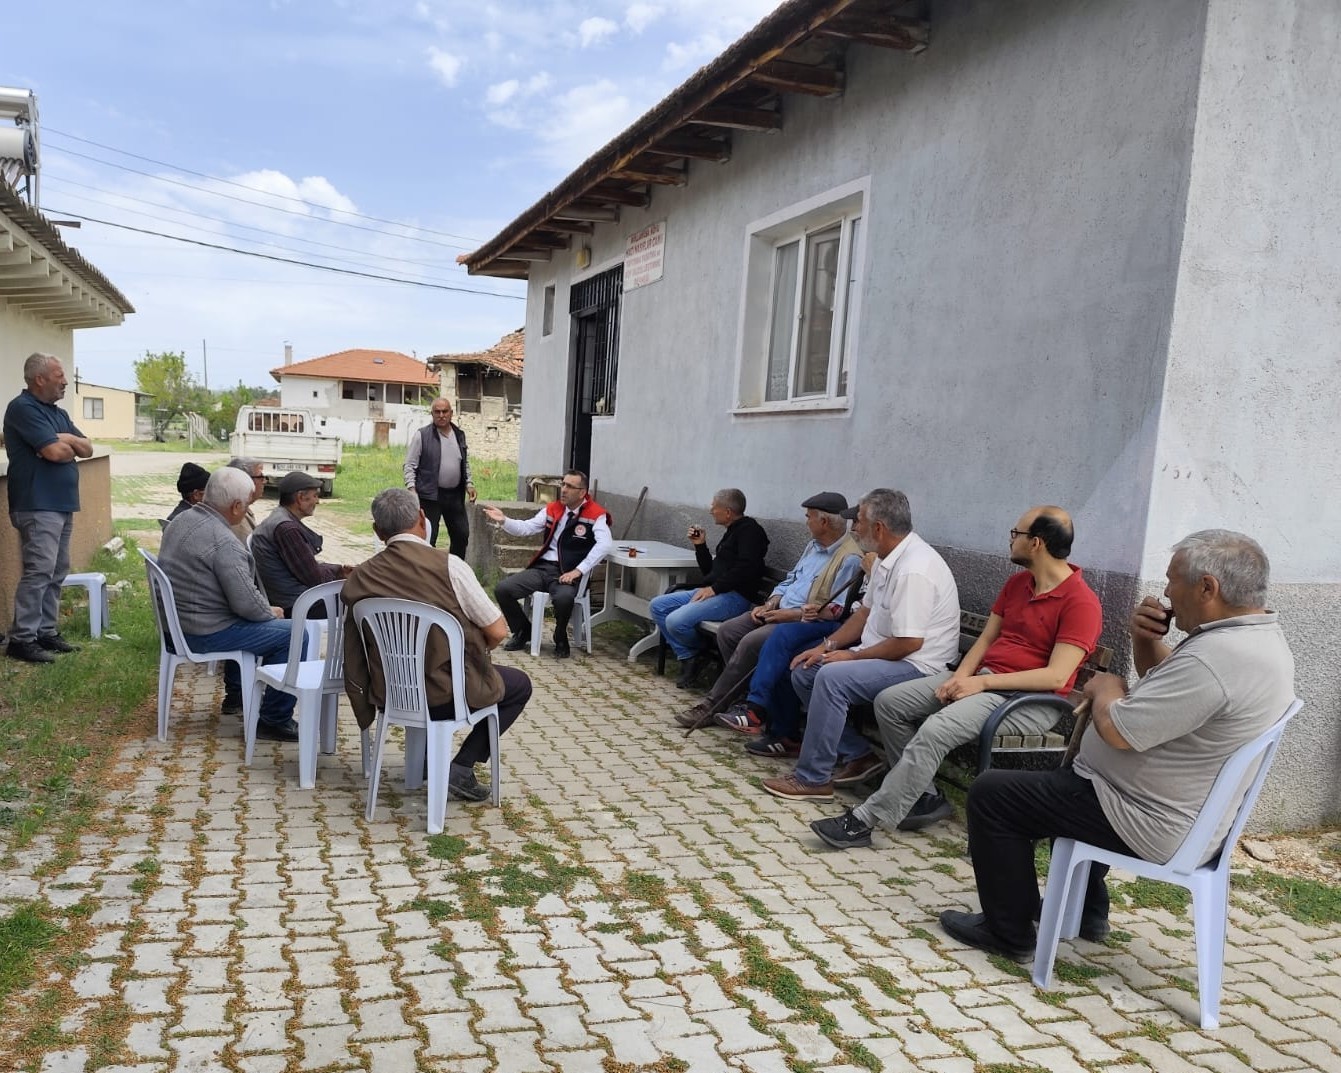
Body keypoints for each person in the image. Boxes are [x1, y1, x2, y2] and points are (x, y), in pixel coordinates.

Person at [938, 530, 1295, 963]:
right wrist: (1144, 641)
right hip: (1162, 805)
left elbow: (1120, 732)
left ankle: (1008, 931)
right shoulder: (1249, 638)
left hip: (1148, 818)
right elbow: (1173, 692)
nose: (1165, 591)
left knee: (994, 795)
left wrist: (1108, 687)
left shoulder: (1216, 657)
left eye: (1172, 580)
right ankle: (1087, 911)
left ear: (1207, 588)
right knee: (1066, 784)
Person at [811, 506, 1103, 848]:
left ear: (1036, 543)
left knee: (936, 729)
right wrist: (961, 677)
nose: (1010, 540)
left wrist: (980, 683)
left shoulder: (1080, 602)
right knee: (891, 702)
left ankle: (864, 821)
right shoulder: (1018, 583)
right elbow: (987, 639)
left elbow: (1055, 677)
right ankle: (925, 795)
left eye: (1016, 534)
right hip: (982, 681)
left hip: (1024, 700)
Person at [760, 489, 959, 801]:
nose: (853, 529)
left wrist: (851, 658)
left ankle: (813, 779)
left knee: (831, 677)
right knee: (806, 671)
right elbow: (865, 613)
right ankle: (858, 754)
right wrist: (826, 646)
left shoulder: (914, 569)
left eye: (858, 522)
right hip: (887, 656)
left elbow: (909, 642)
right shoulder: (885, 559)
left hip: (918, 666)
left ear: (878, 528)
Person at [343, 487, 532, 802]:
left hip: (391, 692)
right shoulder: (449, 566)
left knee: (441, 670)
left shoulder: (360, 577)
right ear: (422, 518)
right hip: (446, 693)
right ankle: (462, 765)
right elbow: (498, 631)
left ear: (377, 531)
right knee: (518, 684)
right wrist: (467, 647)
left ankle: (432, 763)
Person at [675, 491, 862, 730]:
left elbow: (835, 611)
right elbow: (790, 580)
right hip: (777, 611)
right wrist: (771, 602)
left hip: (801, 623)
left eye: (808, 517)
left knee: (751, 642)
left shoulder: (850, 558)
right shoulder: (813, 547)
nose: (806, 522)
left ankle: (713, 706)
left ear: (823, 522)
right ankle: (742, 697)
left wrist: (789, 614)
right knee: (729, 631)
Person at [158, 467, 304, 742]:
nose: (248, 509)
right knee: (295, 634)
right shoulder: (223, 541)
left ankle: (238, 695)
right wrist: (269, 611)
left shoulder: (182, 519)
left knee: (261, 626)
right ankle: (274, 718)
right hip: (203, 634)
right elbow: (247, 607)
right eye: (247, 504)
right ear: (236, 506)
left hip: (178, 626)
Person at [4, 353, 92, 663]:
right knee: (39, 571)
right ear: (39, 379)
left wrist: (67, 437)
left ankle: (46, 631)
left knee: (56, 571)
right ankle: (22, 639)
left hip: (60, 503)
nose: (65, 381)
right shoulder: (22, 409)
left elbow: (87, 447)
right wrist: (63, 446)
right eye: (59, 375)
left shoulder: (57, 414)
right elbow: (55, 453)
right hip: (37, 503)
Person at [483, 470, 612, 658]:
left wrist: (579, 571)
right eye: (563, 484)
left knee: (564, 599)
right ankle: (523, 631)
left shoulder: (596, 514)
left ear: (582, 492)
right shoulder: (553, 508)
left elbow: (605, 544)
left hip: (567, 573)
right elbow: (527, 528)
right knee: (503, 589)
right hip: (543, 568)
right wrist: (504, 520)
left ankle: (560, 637)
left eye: (569, 486)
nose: (564, 490)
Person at [650, 488, 770, 688]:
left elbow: (746, 567)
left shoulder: (750, 532)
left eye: (714, 507)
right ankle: (691, 656)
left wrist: (714, 589)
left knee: (675, 620)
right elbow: (711, 572)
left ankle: (697, 652)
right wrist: (700, 545)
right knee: (658, 606)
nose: (711, 511)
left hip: (734, 598)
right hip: (717, 592)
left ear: (728, 512)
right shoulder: (733, 531)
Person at [251, 471, 354, 615]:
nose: (317, 501)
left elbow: (306, 566)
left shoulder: (280, 518)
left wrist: (338, 570)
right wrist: (338, 574)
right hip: (298, 604)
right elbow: (314, 577)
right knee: (360, 600)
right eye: (314, 496)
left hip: (292, 598)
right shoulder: (287, 529)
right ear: (300, 498)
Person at [404, 397, 475, 557]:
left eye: (445, 411)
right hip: (430, 496)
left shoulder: (459, 435)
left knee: (461, 535)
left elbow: (464, 463)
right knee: (428, 537)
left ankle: (455, 571)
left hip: (455, 496)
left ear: (451, 413)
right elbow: (409, 464)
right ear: (432, 414)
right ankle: (427, 575)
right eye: (437, 412)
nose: (441, 415)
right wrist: (412, 489)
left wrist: (469, 484)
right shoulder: (422, 435)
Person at [226, 456, 266, 543]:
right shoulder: (235, 517)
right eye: (261, 477)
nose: (264, 481)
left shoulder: (242, 507)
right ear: (245, 480)